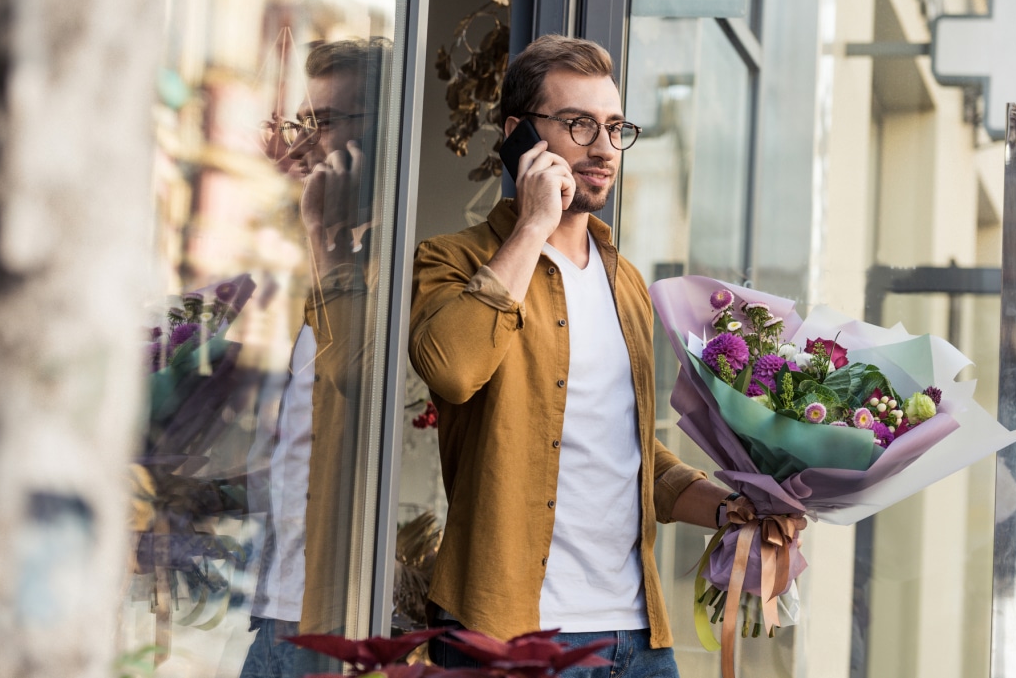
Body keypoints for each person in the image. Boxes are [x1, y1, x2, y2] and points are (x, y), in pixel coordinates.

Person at [409, 35, 754, 677]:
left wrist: (733, 508)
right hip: (509, 638)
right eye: (579, 125)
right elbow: (453, 370)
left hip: (636, 640)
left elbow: (631, 460)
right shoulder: (451, 259)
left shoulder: (626, 282)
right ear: (519, 136)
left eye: (615, 127)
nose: (602, 148)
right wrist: (533, 225)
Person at [241, 36, 388, 678]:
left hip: (328, 616)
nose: (302, 144)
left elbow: (355, 379)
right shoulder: (306, 268)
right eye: (306, 121)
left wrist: (325, 240)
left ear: (378, 133)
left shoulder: (397, 269)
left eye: (324, 123)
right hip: (273, 602)